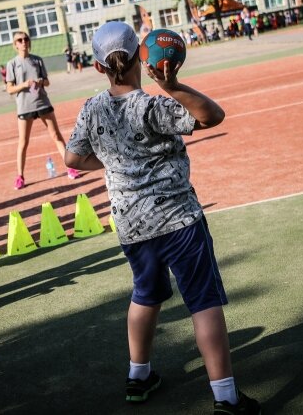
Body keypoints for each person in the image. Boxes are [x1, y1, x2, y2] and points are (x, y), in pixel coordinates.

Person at [65, 22, 261, 414]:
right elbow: (212, 116)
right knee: (203, 302)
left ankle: (138, 375)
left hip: (131, 225)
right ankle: (226, 398)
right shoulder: (153, 106)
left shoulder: (91, 109)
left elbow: (72, 158)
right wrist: (172, 85)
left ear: (98, 67)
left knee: (146, 294)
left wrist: (113, 160)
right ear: (141, 56)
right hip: (178, 220)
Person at [6, 31, 80, 190]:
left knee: (56, 135)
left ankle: (70, 168)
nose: (23, 42)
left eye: (26, 39)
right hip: (25, 106)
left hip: (42, 103)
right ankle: (20, 176)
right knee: (23, 142)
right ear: (15, 44)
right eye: (20, 40)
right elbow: (9, 88)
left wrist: (40, 81)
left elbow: (47, 82)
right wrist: (24, 84)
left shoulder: (37, 60)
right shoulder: (12, 64)